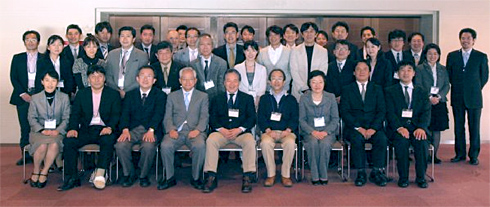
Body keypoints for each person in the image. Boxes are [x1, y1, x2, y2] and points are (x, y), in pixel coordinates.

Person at [58, 65, 121, 191]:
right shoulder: (82, 94)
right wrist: (73, 128)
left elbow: (116, 114)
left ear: (104, 79)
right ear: (88, 79)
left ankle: (100, 173)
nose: (96, 79)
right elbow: (75, 114)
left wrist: (110, 127)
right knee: (69, 141)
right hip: (87, 129)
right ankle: (72, 177)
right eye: (93, 76)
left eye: (100, 76)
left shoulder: (113, 94)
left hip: (104, 129)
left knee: (107, 141)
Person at [203, 69, 257, 193]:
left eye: (235, 81)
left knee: (250, 141)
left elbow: (252, 118)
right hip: (221, 133)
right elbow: (212, 118)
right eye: (228, 81)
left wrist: (239, 129)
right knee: (211, 140)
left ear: (239, 82)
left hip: (240, 133)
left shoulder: (247, 98)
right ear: (224, 82)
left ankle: (248, 176)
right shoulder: (216, 98)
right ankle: (211, 175)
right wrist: (221, 130)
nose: (231, 84)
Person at [115, 65, 166, 188]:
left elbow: (159, 114)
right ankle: (129, 174)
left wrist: (151, 130)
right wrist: (125, 129)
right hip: (132, 130)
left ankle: (144, 175)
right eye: (142, 76)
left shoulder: (160, 95)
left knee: (148, 146)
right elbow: (125, 114)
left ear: (154, 80)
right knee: (120, 145)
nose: (145, 79)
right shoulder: (130, 95)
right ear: (137, 78)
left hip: (151, 129)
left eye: (149, 76)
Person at [340, 61, 388, 187]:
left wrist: (373, 128)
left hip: (374, 127)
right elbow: (345, 112)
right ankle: (361, 172)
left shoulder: (377, 88)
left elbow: (381, 111)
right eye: (358, 69)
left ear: (369, 72)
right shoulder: (347, 89)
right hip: (354, 127)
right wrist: (358, 127)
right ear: (354, 72)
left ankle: (377, 171)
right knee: (356, 139)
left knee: (382, 139)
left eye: (365, 69)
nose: (361, 72)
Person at [159, 67, 208, 190]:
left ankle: (196, 177)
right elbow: (167, 116)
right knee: (165, 145)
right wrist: (170, 129)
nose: (187, 82)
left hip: (195, 131)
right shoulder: (172, 96)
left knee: (200, 146)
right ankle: (169, 177)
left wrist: (198, 130)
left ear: (195, 80)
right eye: (184, 79)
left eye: (190, 79)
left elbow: (204, 116)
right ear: (180, 80)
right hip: (176, 131)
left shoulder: (203, 96)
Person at [385, 61, 431, 188]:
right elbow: (390, 113)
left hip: (417, 128)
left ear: (414, 73)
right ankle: (403, 177)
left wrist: (421, 127)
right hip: (398, 128)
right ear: (397, 73)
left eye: (409, 70)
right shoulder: (390, 91)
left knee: (421, 142)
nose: (406, 73)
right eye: (402, 70)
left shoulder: (422, 91)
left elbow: (426, 112)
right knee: (401, 142)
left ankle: (421, 177)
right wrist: (399, 128)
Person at [446, 28, 488, 165]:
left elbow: (484, 77)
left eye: (468, 38)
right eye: (463, 38)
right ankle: (460, 154)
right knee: (459, 127)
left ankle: (474, 155)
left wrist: (473, 89)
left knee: (474, 127)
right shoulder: (452, 56)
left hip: (474, 98)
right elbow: (449, 76)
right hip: (457, 96)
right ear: (460, 40)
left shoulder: (481, 56)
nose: (465, 41)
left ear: (473, 40)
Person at [27, 70, 70, 188]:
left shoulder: (64, 97)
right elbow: (31, 118)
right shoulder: (35, 98)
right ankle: (36, 170)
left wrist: (58, 130)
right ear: (42, 82)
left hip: (57, 132)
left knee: (55, 144)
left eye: (53, 81)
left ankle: (44, 171)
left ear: (57, 83)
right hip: (39, 132)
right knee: (42, 145)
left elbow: (67, 118)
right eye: (47, 80)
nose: (50, 84)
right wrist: (42, 130)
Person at [258, 69, 299, 187]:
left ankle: (285, 175)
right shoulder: (264, 98)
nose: (276, 81)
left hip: (287, 132)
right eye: (274, 78)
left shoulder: (291, 99)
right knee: (265, 143)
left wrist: (288, 130)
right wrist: (268, 130)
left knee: (291, 143)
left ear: (284, 81)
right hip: (269, 132)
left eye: (280, 78)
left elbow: (295, 117)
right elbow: (260, 117)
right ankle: (271, 174)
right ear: (269, 82)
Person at [10, 30, 44, 165]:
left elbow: (47, 77)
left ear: (38, 42)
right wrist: (22, 93)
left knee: (38, 126)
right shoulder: (17, 58)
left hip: (39, 96)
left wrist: (38, 95)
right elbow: (14, 77)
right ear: (24, 42)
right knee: (24, 127)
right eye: (28, 39)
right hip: (22, 96)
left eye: (33, 39)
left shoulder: (44, 58)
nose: (30, 42)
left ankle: (39, 153)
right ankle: (25, 155)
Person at [299, 70, 339, 185]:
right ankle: (315, 175)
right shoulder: (304, 98)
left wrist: (326, 132)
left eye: (320, 82)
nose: (317, 85)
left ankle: (323, 174)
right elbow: (302, 119)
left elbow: (335, 118)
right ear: (309, 83)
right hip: (310, 131)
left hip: (328, 131)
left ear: (324, 83)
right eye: (314, 82)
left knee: (325, 144)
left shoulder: (330, 97)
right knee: (312, 144)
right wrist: (312, 132)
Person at [415, 43, 449, 164]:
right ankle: (424, 153)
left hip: (439, 102)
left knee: (437, 129)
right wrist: (429, 97)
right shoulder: (419, 68)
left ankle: (434, 155)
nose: (432, 56)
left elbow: (446, 85)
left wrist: (439, 97)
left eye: (435, 54)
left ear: (439, 55)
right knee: (426, 128)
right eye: (430, 53)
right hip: (425, 102)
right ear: (425, 55)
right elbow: (418, 85)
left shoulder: (443, 69)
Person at [105, 26, 149, 99]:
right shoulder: (112, 54)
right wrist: (118, 91)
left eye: (128, 36)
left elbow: (141, 77)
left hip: (133, 93)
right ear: (119, 38)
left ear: (133, 39)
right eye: (122, 36)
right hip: (114, 92)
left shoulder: (142, 55)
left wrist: (125, 91)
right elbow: (108, 75)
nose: (125, 39)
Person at [290, 22, 329, 101]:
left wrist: (314, 87)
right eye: (306, 32)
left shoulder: (323, 51)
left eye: (311, 31)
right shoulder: (295, 50)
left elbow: (323, 71)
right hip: (299, 90)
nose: (309, 34)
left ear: (316, 34)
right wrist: (304, 89)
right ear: (302, 34)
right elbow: (294, 71)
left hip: (317, 90)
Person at [190, 34, 228, 101]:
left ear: (212, 46)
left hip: (216, 100)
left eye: (208, 44)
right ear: (198, 47)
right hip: (198, 100)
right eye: (202, 44)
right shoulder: (192, 64)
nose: (205, 47)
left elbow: (221, 86)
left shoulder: (221, 63)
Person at [257, 25, 292, 92]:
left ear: (281, 36)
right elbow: (260, 72)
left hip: (285, 89)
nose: (273, 37)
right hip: (267, 89)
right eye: (270, 35)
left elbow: (291, 71)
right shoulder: (262, 52)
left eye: (276, 35)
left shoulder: (289, 52)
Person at [234, 40, 267, 106]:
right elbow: (237, 87)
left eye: (253, 50)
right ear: (244, 51)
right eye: (248, 50)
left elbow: (262, 90)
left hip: (257, 101)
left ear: (257, 52)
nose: (250, 53)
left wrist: (257, 103)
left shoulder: (262, 69)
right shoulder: (237, 68)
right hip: (241, 101)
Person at [325, 40, 356, 104]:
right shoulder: (328, 66)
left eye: (344, 48)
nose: (341, 51)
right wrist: (334, 97)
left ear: (348, 52)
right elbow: (327, 84)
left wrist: (343, 96)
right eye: (338, 48)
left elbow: (355, 83)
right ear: (334, 51)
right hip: (332, 101)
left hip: (350, 100)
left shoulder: (354, 66)